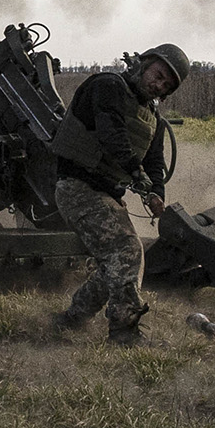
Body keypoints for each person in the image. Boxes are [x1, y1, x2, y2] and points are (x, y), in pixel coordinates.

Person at [48, 43, 189, 345]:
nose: (158, 85)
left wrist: (156, 193)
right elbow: (112, 133)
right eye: (158, 75)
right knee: (127, 250)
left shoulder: (153, 117)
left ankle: (72, 319)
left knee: (118, 261)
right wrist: (137, 176)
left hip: (104, 192)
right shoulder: (107, 86)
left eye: (166, 85)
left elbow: (155, 161)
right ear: (145, 63)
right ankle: (124, 332)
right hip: (76, 186)